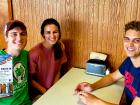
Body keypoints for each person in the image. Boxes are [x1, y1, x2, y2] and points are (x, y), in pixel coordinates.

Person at [75, 20, 140, 105]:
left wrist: (95, 102)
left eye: (136, 40)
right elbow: (112, 77)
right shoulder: (129, 61)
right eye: (127, 39)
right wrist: (92, 86)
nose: (130, 44)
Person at [29, 18, 67, 100]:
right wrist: (45, 91)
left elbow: (58, 71)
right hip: (38, 92)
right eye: (48, 33)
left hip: (53, 89)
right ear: (43, 35)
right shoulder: (34, 53)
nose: (52, 36)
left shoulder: (60, 47)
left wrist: (54, 88)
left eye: (55, 32)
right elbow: (30, 79)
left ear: (59, 33)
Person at [0, 20, 31, 105]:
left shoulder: (26, 54)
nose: (19, 38)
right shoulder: (2, 59)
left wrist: (57, 44)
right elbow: (5, 94)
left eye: (22, 34)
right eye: (14, 34)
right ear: (6, 37)